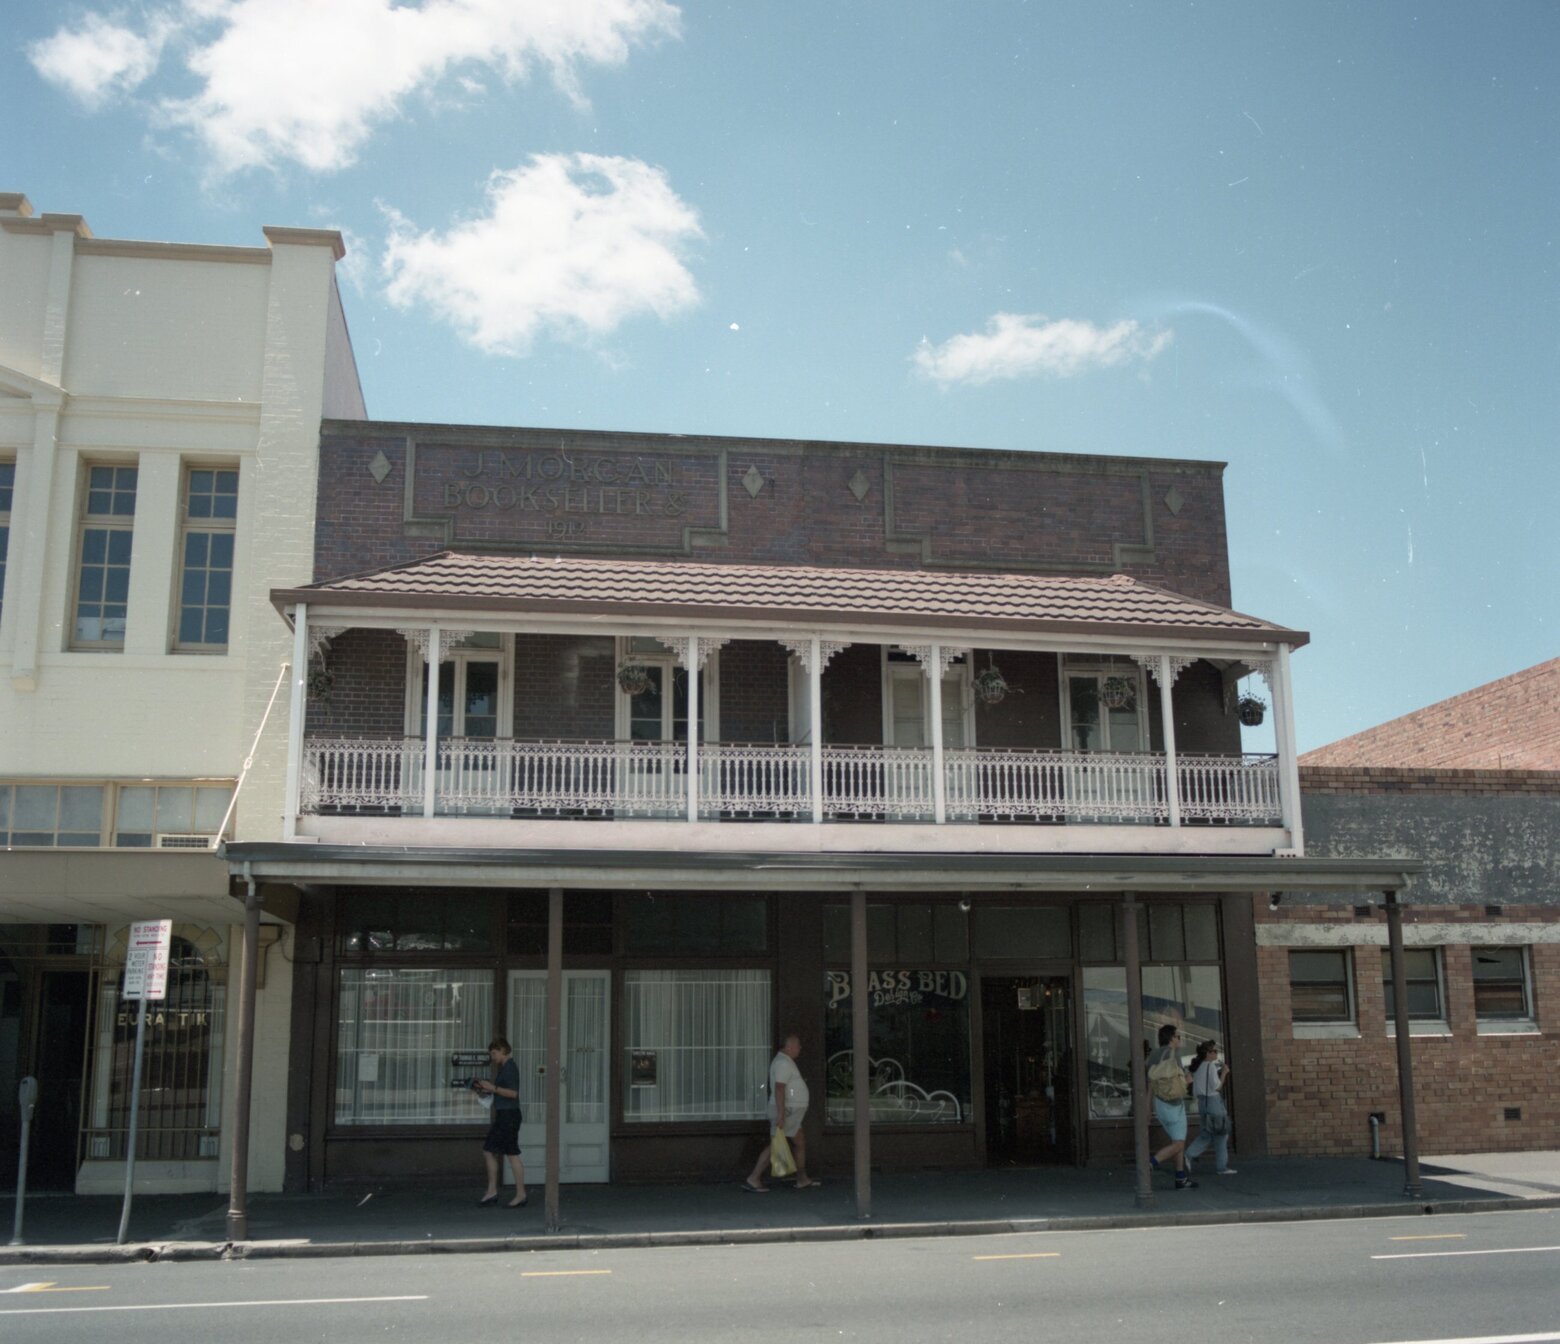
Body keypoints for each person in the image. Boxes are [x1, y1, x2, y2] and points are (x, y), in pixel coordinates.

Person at [743, 1033, 818, 1191]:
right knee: (776, 1144)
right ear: (790, 1046)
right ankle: (754, 1178)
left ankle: (802, 1178)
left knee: (798, 1142)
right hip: (788, 1111)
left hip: (791, 1112)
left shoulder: (785, 1062)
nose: (800, 1049)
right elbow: (779, 1088)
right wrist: (781, 1114)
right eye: (798, 1046)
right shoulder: (783, 1063)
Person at [474, 1036, 527, 1207]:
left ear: (503, 1051)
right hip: (505, 1114)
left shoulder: (510, 1068)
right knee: (490, 1150)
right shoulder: (505, 1067)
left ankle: (519, 1194)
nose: (493, 1057)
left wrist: (492, 1088)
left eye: (494, 1053)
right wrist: (487, 1090)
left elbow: (513, 1093)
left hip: (509, 1115)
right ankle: (493, 1191)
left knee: (510, 1153)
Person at [1146, 1023, 1197, 1189]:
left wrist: (1148, 1108)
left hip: (1160, 1104)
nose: (1179, 1039)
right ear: (1171, 1038)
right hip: (1175, 1104)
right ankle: (1151, 1164)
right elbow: (1186, 1081)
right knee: (1179, 1144)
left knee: (1177, 1140)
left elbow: (1151, 1084)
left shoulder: (1154, 1055)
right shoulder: (1175, 1055)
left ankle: (1180, 1178)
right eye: (1178, 1036)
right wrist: (1190, 1076)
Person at [1185, 1039, 1237, 1176]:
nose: (1216, 1053)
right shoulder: (1211, 1066)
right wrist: (1224, 1073)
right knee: (1221, 1133)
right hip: (1213, 1101)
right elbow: (1217, 1087)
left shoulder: (1199, 1067)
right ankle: (1222, 1166)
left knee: (1207, 1133)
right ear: (1207, 1053)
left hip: (1203, 1102)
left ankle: (1189, 1154)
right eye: (1214, 1051)